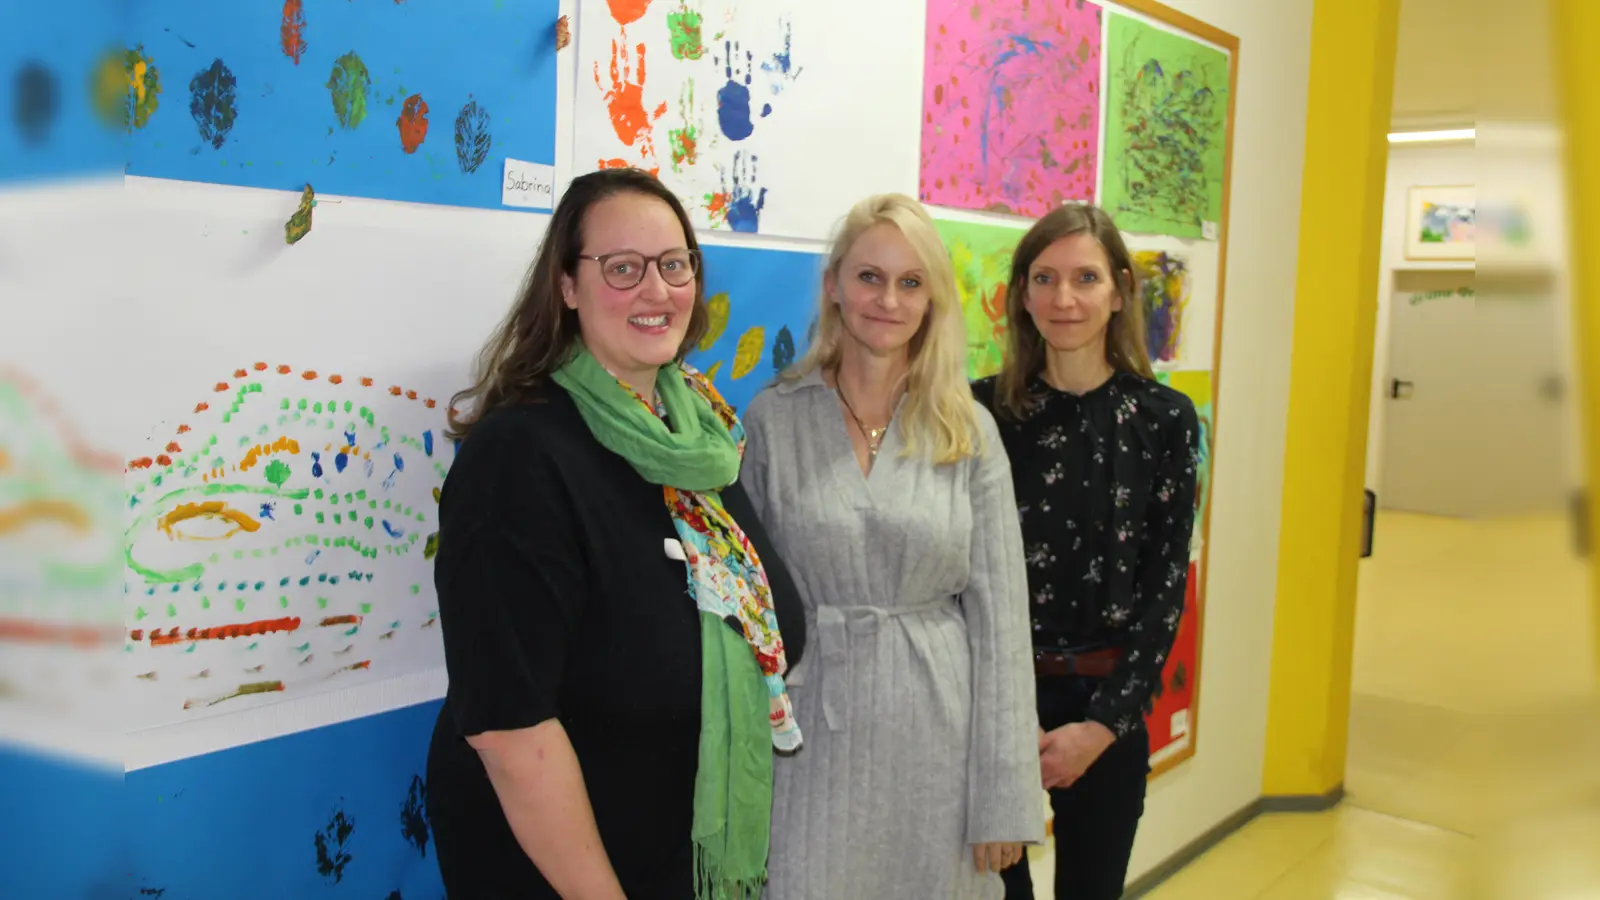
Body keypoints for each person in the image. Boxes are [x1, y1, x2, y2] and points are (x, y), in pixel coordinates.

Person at [425, 168, 808, 900]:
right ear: (567, 285)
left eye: (674, 264)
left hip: (675, 849)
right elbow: (510, 730)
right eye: (623, 268)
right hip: (563, 872)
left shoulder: (698, 439)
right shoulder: (520, 459)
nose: (656, 291)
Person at [740, 193, 1044, 899]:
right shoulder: (773, 422)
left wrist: (1003, 797)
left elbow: (1002, 628)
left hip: (938, 739)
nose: (888, 299)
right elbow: (747, 614)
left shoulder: (967, 431)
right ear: (835, 287)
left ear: (933, 299)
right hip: (808, 739)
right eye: (870, 276)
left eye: (911, 282)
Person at [971, 204, 1200, 900]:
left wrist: (1101, 726)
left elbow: (1166, 588)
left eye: (1085, 278)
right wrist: (1010, 722)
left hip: (1108, 707)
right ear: (1020, 294)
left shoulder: (1164, 421)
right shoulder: (979, 415)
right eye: (1044, 278)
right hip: (993, 703)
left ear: (1120, 290)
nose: (1063, 299)